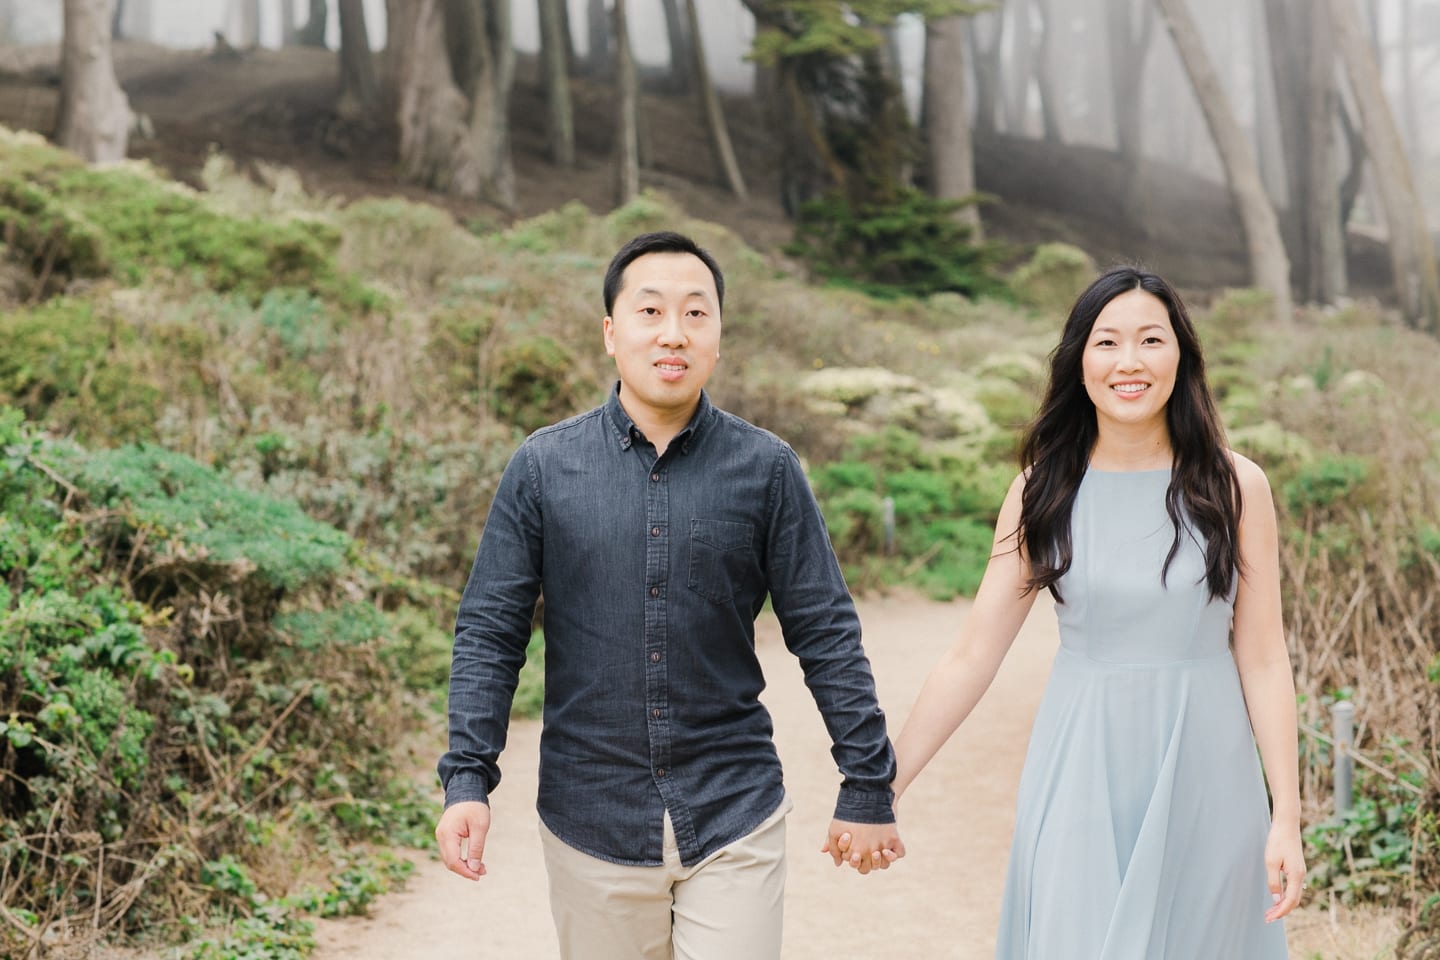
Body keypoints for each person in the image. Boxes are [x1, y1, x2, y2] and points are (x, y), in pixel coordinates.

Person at [434, 231, 903, 960]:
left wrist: (868, 782)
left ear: (718, 336)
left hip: (733, 809)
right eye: (650, 312)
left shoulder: (768, 470)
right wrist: (467, 778)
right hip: (590, 817)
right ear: (611, 334)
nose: (673, 333)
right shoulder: (543, 468)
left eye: (696, 313)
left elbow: (826, 631)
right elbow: (491, 633)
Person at [884, 265, 1304, 957]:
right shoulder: (1041, 489)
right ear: (1080, 360)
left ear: (1182, 357)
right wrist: (888, 780)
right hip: (1080, 764)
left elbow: (1261, 656)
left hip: (1209, 771)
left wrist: (1285, 814)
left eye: (1151, 340)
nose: (1129, 362)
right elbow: (972, 654)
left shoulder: (1236, 486)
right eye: (1107, 343)